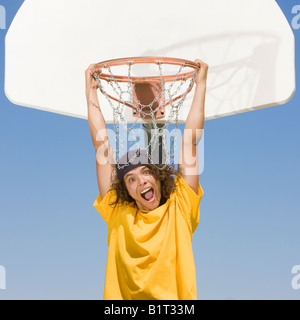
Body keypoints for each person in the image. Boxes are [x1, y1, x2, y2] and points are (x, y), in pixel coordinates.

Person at [85, 59, 208, 300]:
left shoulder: (180, 207)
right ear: (126, 190)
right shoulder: (119, 213)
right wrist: (90, 91)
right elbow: (101, 144)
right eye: (130, 179)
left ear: (160, 177)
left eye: (146, 172)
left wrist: (201, 84)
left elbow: (191, 140)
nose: (140, 181)